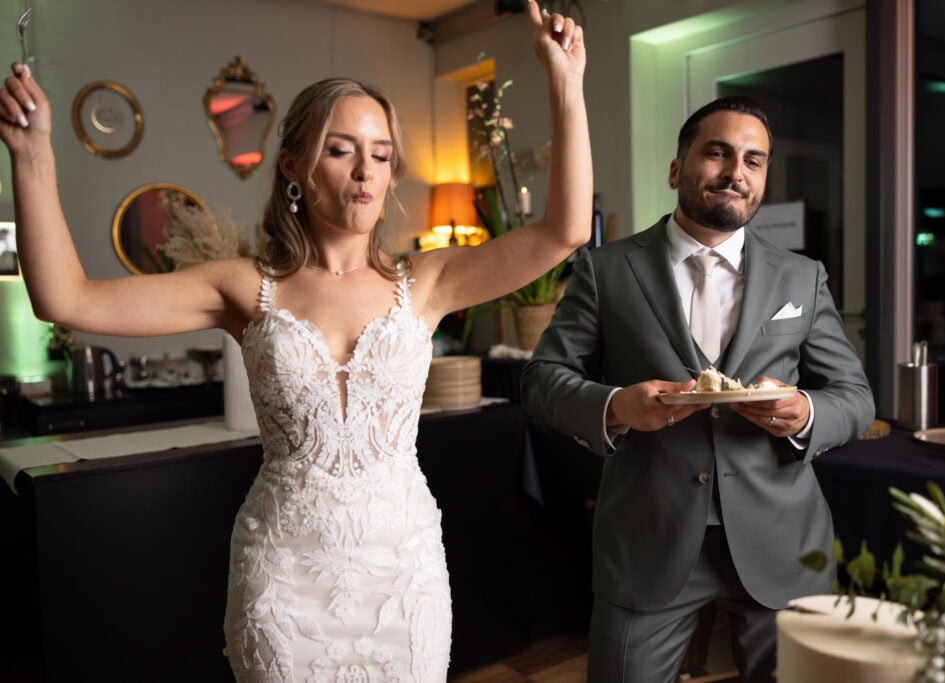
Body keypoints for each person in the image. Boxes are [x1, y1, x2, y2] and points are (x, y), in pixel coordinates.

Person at [0, 2, 590, 680]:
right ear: (293, 166)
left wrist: (566, 83)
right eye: (341, 150)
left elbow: (564, 230)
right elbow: (66, 297)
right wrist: (32, 152)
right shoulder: (244, 287)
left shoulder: (426, 282)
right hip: (284, 577)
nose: (365, 171)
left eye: (380, 154)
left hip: (403, 572)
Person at [521, 96, 874, 683]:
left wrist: (804, 412)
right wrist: (615, 406)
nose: (737, 172)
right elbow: (541, 379)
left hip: (784, 541)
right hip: (647, 540)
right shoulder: (605, 270)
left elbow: (854, 396)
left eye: (754, 161)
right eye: (718, 153)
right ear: (676, 169)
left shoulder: (801, 276)